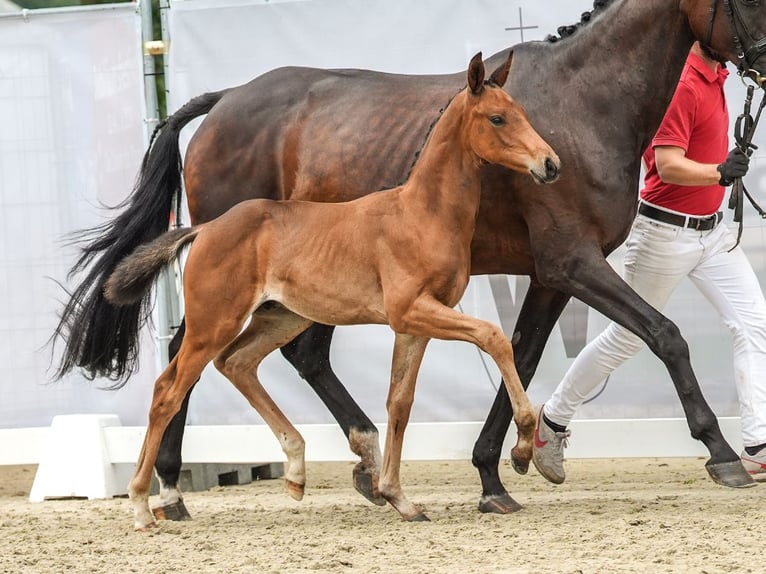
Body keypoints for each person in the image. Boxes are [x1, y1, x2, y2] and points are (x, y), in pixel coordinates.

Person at [532, 42, 766, 484]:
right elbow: (667, 164)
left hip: (714, 233)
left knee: (753, 323)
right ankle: (553, 421)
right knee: (626, 338)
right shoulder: (682, 83)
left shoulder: (718, 73)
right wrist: (720, 172)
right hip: (664, 234)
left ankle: (757, 445)